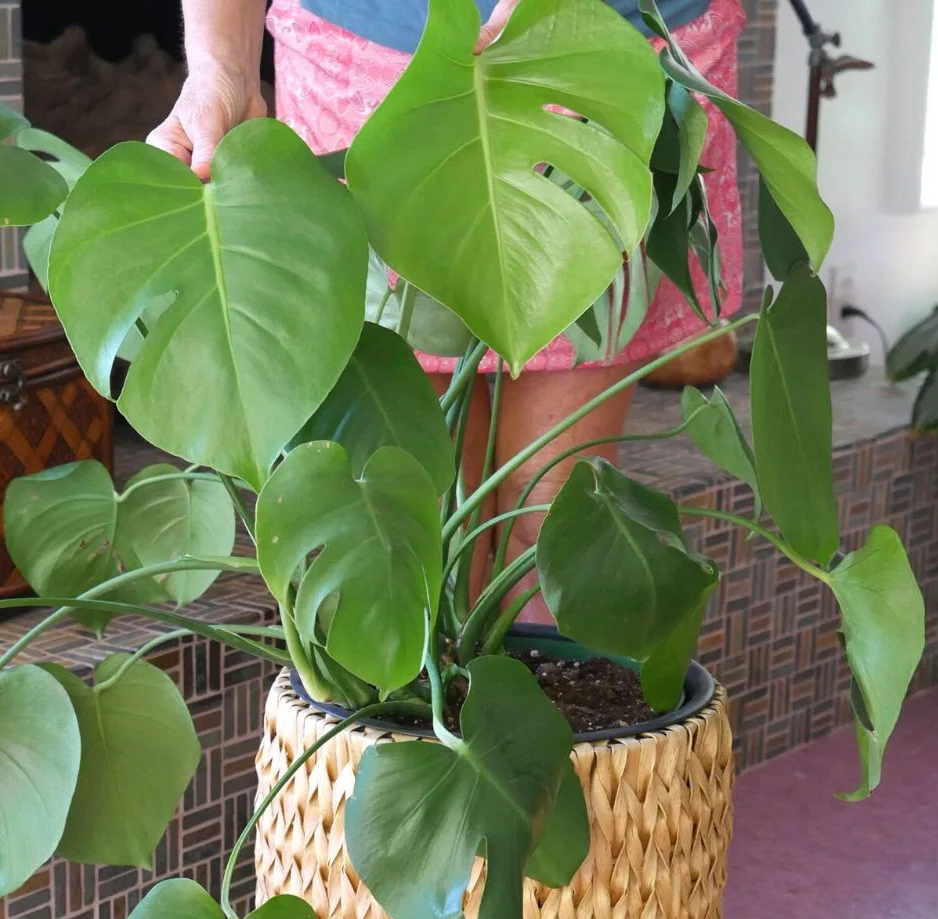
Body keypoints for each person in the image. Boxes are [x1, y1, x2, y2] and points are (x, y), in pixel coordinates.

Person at [148, 0, 746, 618]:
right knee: (415, 523)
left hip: (593, 59)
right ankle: (420, 711)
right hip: (362, 66)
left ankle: (538, 706)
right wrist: (222, 68)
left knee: (550, 511)